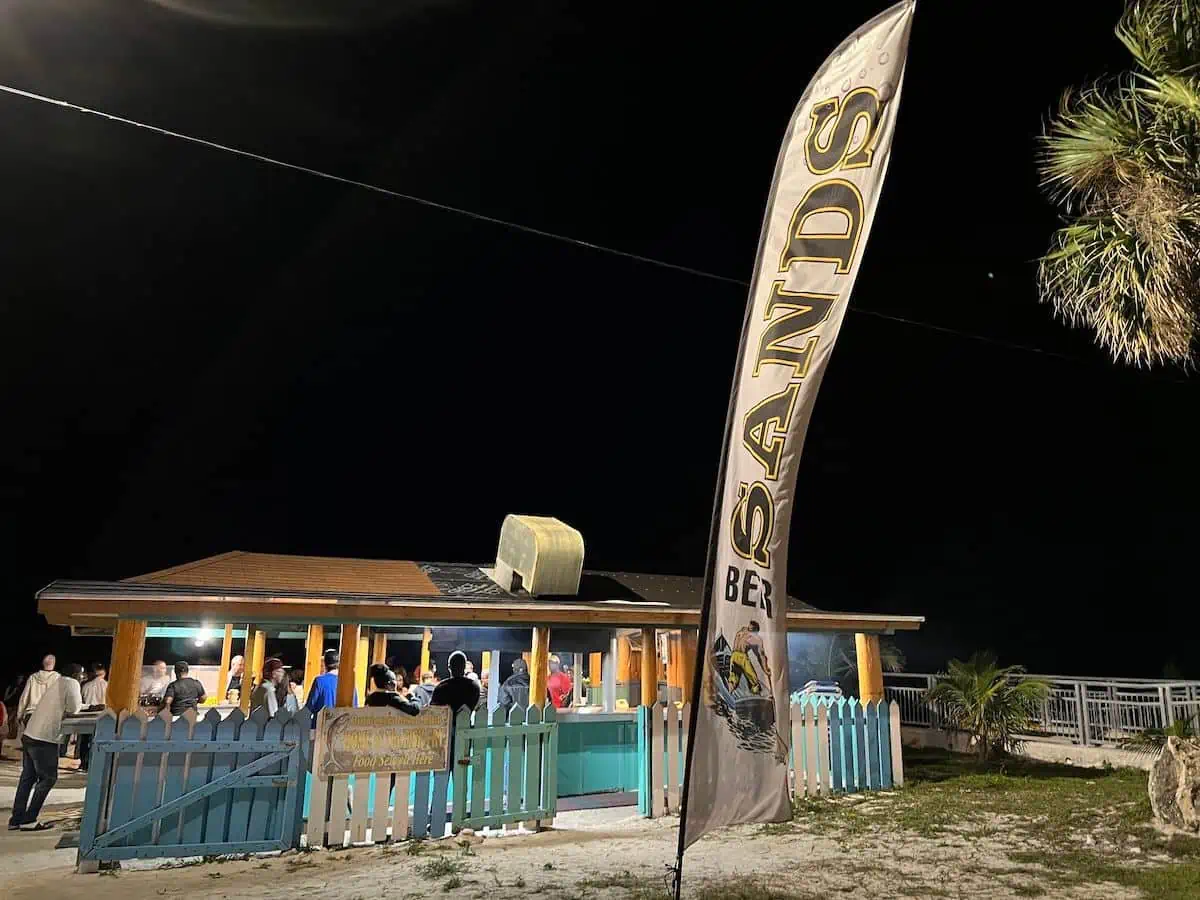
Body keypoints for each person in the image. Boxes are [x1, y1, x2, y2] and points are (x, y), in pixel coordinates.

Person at [8, 663, 83, 831]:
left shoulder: (56, 681)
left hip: (30, 734)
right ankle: (29, 820)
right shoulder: (72, 683)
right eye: (81, 674)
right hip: (45, 738)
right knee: (48, 778)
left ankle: (16, 819)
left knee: (27, 778)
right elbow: (74, 708)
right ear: (75, 674)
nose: (82, 677)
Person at [305, 650, 357, 722]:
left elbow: (308, 709)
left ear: (325, 664)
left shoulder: (319, 681)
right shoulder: (350, 683)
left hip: (320, 728)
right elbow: (355, 710)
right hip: (342, 728)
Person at [77, 663, 108, 773]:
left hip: (85, 715)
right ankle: (94, 763)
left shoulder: (86, 686)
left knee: (84, 740)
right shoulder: (108, 686)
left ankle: (83, 764)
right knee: (97, 740)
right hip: (101, 717)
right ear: (103, 673)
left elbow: (81, 701)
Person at [16, 655, 61, 727]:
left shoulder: (33, 677)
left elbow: (24, 697)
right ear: (54, 663)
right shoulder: (58, 678)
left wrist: (19, 715)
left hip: (31, 715)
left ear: (43, 664)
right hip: (49, 715)